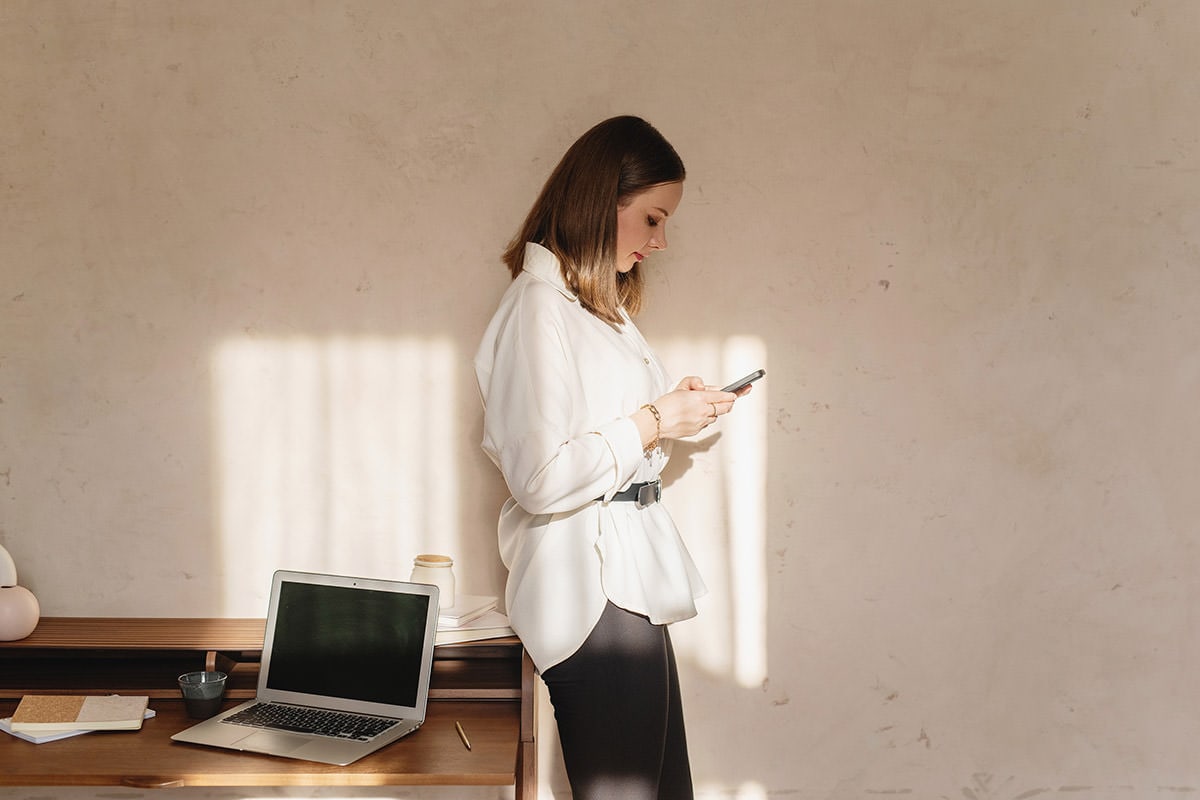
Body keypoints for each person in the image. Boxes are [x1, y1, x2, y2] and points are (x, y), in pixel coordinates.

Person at [474, 115, 751, 800]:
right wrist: (655, 420)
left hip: (627, 580)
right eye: (652, 219)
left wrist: (672, 411)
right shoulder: (537, 308)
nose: (659, 242)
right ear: (604, 201)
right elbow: (539, 478)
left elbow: (604, 431)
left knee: (664, 789)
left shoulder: (593, 307)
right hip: (589, 590)